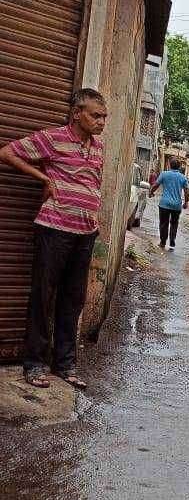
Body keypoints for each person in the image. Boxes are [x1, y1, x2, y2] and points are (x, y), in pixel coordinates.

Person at [0, 88, 108, 390]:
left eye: (104, 117)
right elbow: (7, 152)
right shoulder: (53, 138)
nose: (101, 122)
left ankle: (65, 364)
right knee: (42, 296)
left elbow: (92, 183)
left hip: (85, 232)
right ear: (77, 114)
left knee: (73, 300)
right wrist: (45, 179)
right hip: (54, 229)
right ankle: (34, 364)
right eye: (95, 115)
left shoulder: (97, 146)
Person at [150, 159, 189, 249]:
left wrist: (151, 192)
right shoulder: (183, 177)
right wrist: (186, 202)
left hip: (164, 204)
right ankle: (172, 242)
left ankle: (163, 242)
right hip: (176, 205)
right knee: (174, 224)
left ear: (169, 165)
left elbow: (156, 185)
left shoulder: (164, 174)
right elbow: (186, 192)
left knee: (163, 223)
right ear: (179, 167)